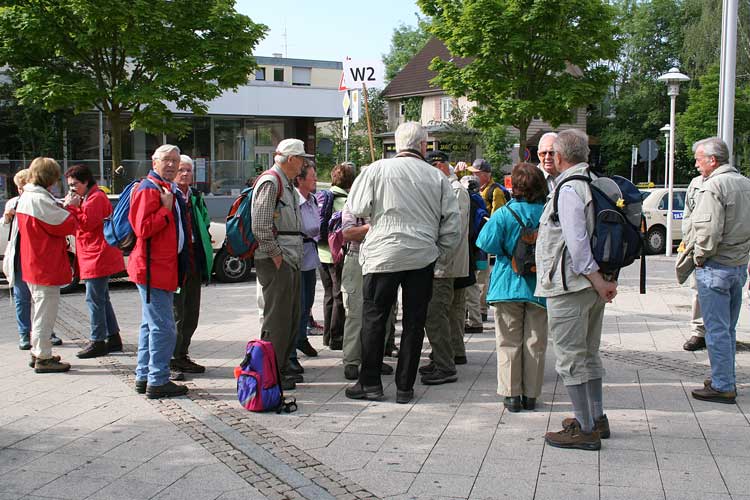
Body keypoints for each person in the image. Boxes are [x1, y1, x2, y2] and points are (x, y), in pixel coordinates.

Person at [344, 122, 461, 404]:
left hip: (382, 254)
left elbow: (357, 208)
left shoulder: (375, 170)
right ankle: (405, 386)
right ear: (423, 146)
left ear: (397, 145)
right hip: (421, 256)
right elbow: (453, 226)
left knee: (374, 318)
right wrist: (439, 254)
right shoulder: (437, 178)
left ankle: (370, 382)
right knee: (414, 322)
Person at [536, 129, 616, 451]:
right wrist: (602, 282)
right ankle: (596, 419)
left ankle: (584, 429)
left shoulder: (569, 189)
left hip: (571, 287)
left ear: (558, 156)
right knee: (588, 354)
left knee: (571, 359)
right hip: (590, 287)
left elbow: (578, 243)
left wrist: (596, 280)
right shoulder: (593, 182)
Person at [476, 163, 548, 412]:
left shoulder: (505, 213)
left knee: (508, 341)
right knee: (535, 341)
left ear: (515, 187)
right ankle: (531, 394)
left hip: (507, 283)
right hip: (539, 286)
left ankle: (511, 395)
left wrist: (508, 250)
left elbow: (485, 242)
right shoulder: (548, 213)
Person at [688, 137, 750, 404]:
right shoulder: (745, 183)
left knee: (716, 330)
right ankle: (724, 377)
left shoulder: (714, 186)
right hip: (738, 265)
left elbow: (708, 231)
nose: (696, 164)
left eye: (699, 159)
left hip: (717, 266)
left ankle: (723, 384)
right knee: (729, 329)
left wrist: (699, 257)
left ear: (713, 160)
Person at [129, 144, 190, 398]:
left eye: (175, 160)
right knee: (164, 328)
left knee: (150, 325)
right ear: (154, 162)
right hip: (153, 269)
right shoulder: (149, 189)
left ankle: (145, 376)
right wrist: (165, 210)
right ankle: (157, 379)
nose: (172, 165)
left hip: (160, 268)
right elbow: (143, 229)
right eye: (166, 160)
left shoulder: (165, 188)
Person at [11, 157, 77, 372]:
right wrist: (73, 208)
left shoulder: (29, 197)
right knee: (44, 312)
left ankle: (38, 351)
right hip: (44, 263)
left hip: (35, 261)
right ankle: (43, 356)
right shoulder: (38, 199)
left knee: (40, 310)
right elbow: (65, 224)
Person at [252, 138, 307, 390]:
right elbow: (261, 226)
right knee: (277, 320)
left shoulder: (285, 183)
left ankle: (281, 368)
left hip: (288, 258)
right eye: (302, 158)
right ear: (291, 159)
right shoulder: (271, 181)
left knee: (289, 318)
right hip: (278, 259)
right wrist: (276, 257)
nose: (304, 164)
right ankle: (271, 372)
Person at [63, 165, 125, 359]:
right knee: (102, 299)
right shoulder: (89, 197)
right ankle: (113, 337)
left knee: (95, 299)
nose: (72, 189)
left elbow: (87, 224)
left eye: (74, 185)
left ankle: (98, 340)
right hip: (94, 253)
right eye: (70, 185)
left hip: (97, 254)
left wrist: (72, 207)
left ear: (85, 182)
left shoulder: (95, 199)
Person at [419, 150, 470, 385]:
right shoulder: (447, 187)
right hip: (443, 262)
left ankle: (445, 364)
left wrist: (438, 257)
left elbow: (453, 231)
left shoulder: (455, 189)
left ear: (439, 166)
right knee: (443, 313)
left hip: (445, 264)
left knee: (438, 314)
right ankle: (441, 357)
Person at [3, 169, 63, 350]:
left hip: (36, 255)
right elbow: (5, 225)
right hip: (19, 255)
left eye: (23, 186)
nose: (21, 191)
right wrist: (7, 217)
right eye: (19, 188)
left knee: (41, 298)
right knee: (23, 297)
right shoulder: (14, 202)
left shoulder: (40, 200)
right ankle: (25, 334)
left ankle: (46, 333)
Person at [340, 204, 396, 380]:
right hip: (357, 258)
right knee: (355, 312)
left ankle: (374, 360)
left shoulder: (389, 201)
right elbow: (348, 233)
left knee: (384, 313)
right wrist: (377, 227)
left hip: (384, 259)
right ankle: (351, 361)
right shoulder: (353, 203)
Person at [169, 155, 214, 379]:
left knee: (191, 313)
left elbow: (204, 221)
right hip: (177, 262)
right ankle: (171, 358)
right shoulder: (170, 195)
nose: (185, 174)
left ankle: (182, 354)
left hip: (195, 260)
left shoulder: (195, 196)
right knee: (176, 313)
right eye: (181, 170)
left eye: (188, 170)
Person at [466, 158, 507, 328]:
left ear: (485, 175)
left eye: (475, 173)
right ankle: (478, 309)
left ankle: (481, 310)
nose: (472, 176)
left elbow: (497, 216)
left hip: (484, 240)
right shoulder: (478, 189)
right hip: (477, 238)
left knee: (482, 276)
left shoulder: (495, 191)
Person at [289, 159, 320, 376]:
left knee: (307, 303)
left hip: (310, 257)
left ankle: (302, 338)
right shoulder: (293, 200)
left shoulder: (313, 200)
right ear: (300, 179)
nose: (316, 179)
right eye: (312, 176)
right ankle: (291, 349)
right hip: (296, 256)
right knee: (296, 306)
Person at [317, 163, 353, 350]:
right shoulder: (346, 200)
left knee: (328, 294)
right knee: (339, 294)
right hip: (337, 254)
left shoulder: (324, 196)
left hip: (321, 252)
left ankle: (327, 336)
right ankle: (337, 337)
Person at [680, 173, 707, 351]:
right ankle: (699, 332)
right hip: (697, 247)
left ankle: (722, 334)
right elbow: (688, 214)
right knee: (697, 290)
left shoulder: (733, 183)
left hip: (723, 252)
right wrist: (687, 240)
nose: (696, 164)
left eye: (699, 159)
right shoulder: (696, 183)